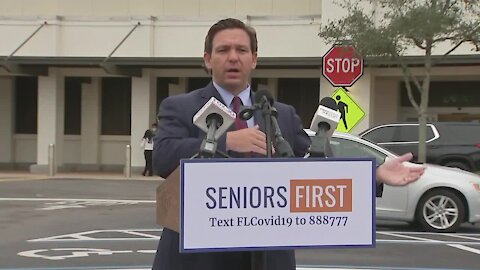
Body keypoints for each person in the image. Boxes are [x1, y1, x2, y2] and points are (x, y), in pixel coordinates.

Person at [152, 18, 425, 270]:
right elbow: (163, 158)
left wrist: (374, 173)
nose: (233, 57)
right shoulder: (180, 106)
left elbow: (313, 171)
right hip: (197, 255)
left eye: (241, 50)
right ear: (208, 60)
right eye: (223, 50)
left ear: (254, 59)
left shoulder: (281, 114)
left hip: (268, 254)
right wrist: (228, 140)